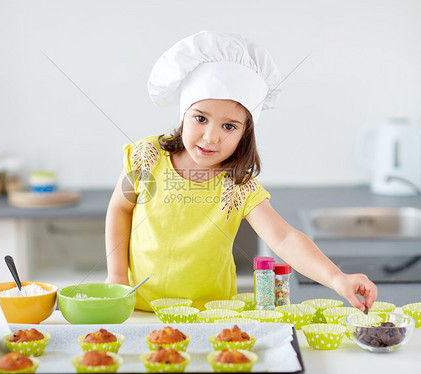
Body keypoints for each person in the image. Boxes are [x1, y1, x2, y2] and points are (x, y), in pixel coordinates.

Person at [105, 31, 377, 312]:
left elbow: (284, 238)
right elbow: (120, 209)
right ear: (183, 114)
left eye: (229, 126)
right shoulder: (146, 158)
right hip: (139, 308)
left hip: (211, 315)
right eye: (200, 118)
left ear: (245, 133)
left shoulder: (239, 185)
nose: (211, 137)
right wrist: (117, 275)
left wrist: (337, 278)